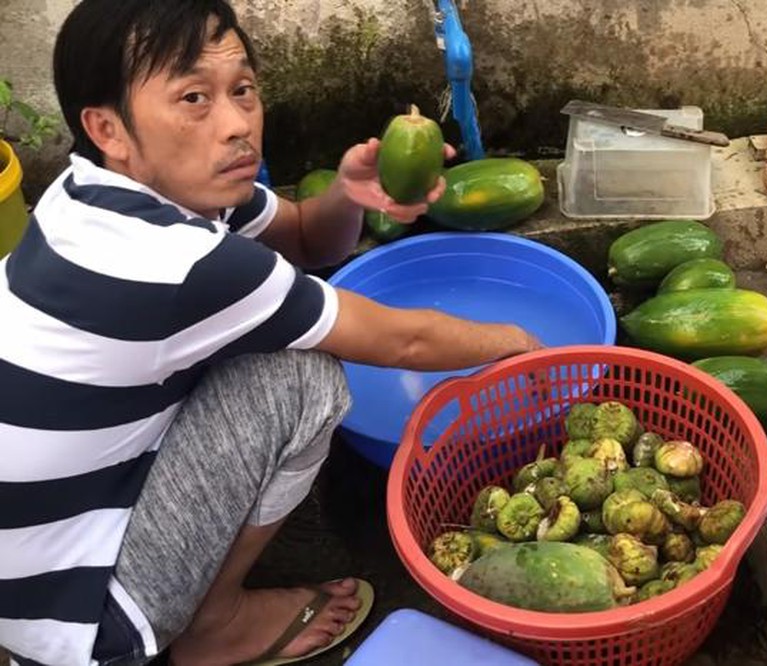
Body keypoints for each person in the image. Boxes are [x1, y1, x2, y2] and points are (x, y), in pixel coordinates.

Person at [0, 1, 541, 664]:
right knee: (301, 375)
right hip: (84, 619)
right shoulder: (177, 261)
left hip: (35, 561)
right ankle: (214, 625)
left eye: (243, 90)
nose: (236, 125)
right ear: (107, 126)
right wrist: (520, 344)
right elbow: (404, 343)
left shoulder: (93, 188)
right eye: (193, 97)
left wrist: (350, 192)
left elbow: (309, 238)